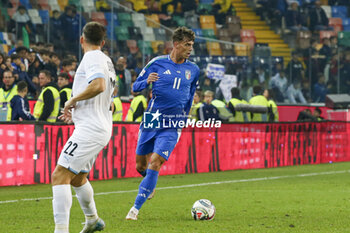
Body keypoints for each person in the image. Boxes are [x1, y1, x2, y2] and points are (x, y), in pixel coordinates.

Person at [125, 27, 200, 220]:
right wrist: (146, 82)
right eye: (187, 44)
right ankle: (149, 182)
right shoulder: (156, 63)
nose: (190, 49)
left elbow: (190, 97)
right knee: (140, 165)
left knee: (156, 161)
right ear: (176, 44)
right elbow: (135, 87)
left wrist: (186, 115)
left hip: (173, 123)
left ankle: (135, 209)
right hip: (152, 118)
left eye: (192, 45)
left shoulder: (193, 70)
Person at [51, 22, 116, 233]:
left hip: (91, 128)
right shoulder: (108, 61)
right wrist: (79, 108)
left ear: (82, 40)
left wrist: (71, 101)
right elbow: (110, 100)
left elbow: (98, 85)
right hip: (98, 126)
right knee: (78, 178)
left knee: (59, 175)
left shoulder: (93, 57)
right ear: (103, 42)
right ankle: (93, 220)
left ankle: (61, 231)